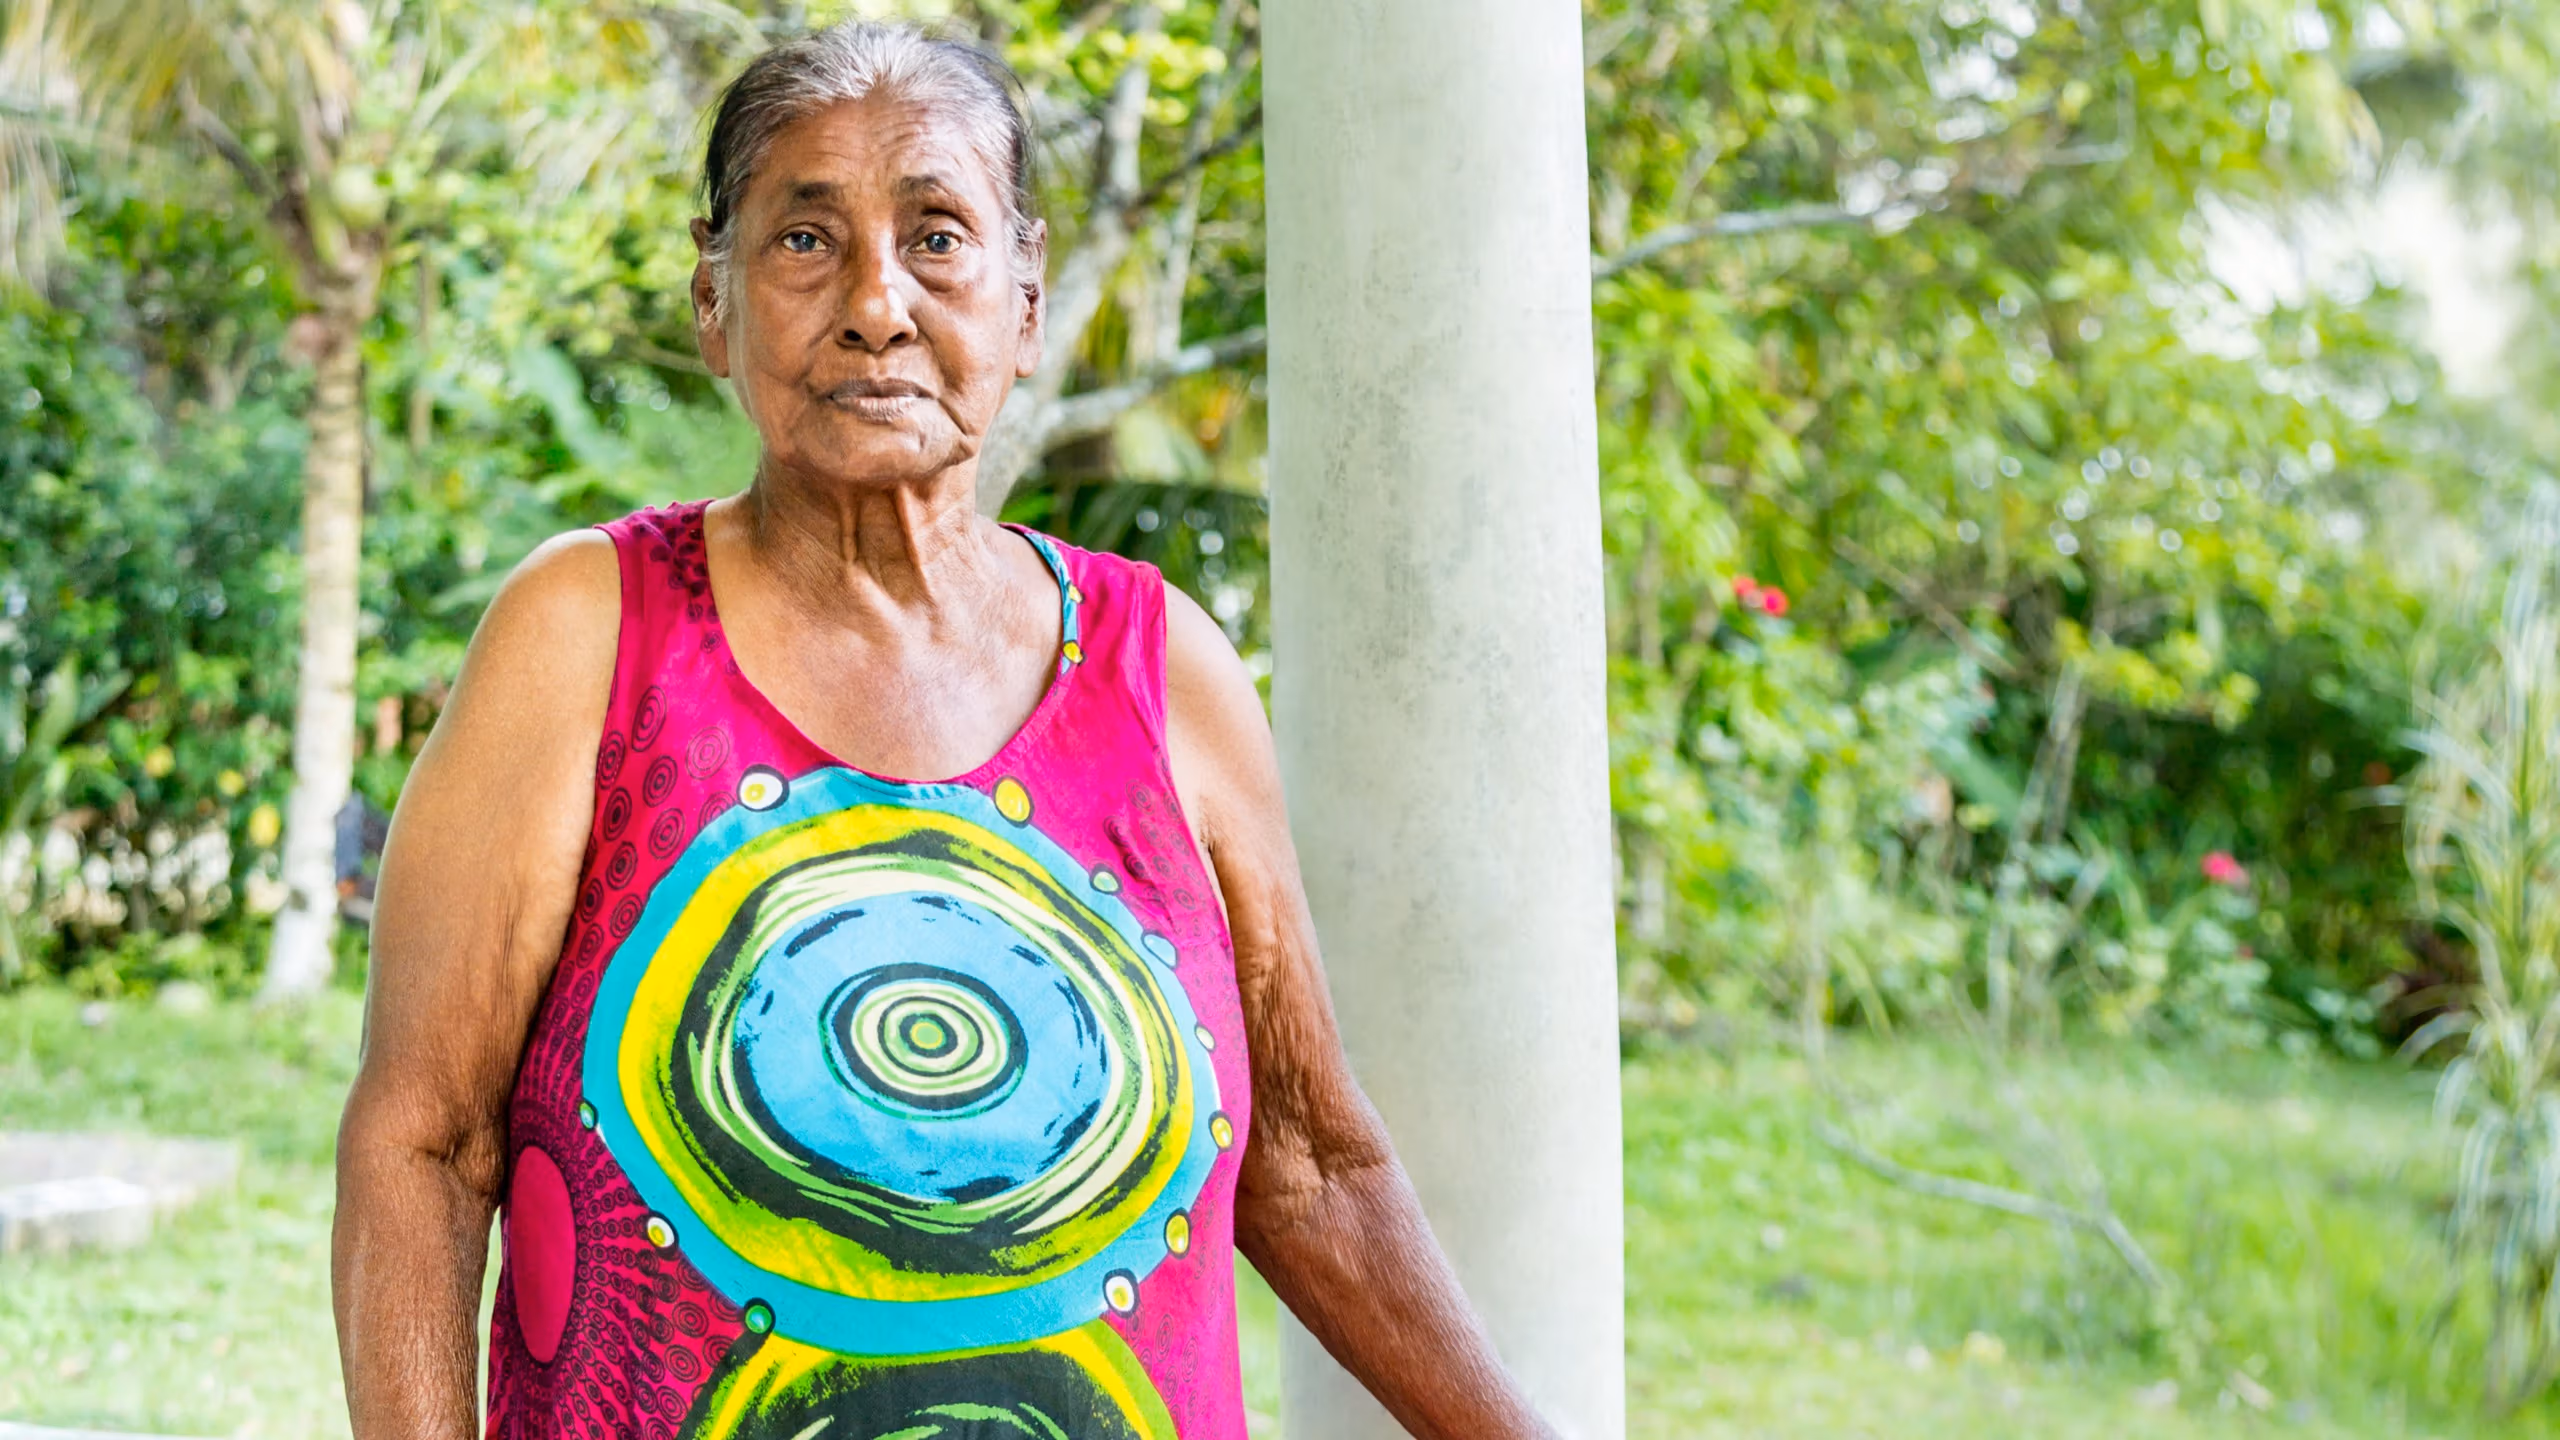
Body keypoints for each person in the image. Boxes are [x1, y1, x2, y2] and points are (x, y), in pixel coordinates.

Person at [332, 20, 1561, 1440]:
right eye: (804, 240)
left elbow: (1306, 1162)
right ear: (712, 302)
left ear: (1026, 304)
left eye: (936, 237)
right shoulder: (594, 635)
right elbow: (425, 1144)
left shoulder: (1164, 670)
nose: (875, 304)